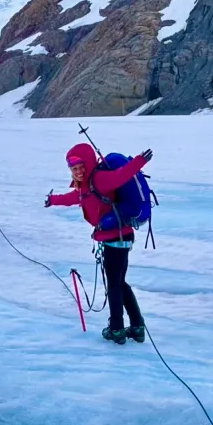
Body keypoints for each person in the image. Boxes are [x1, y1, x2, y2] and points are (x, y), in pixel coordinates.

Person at [45, 143, 152, 344]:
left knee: (114, 284)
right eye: (74, 169)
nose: (78, 172)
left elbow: (120, 176)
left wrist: (139, 161)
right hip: (118, 236)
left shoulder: (99, 179)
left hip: (116, 238)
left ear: (88, 163)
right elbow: (73, 198)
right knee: (119, 283)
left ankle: (117, 329)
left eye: (81, 167)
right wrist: (53, 200)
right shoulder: (87, 186)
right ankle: (137, 326)